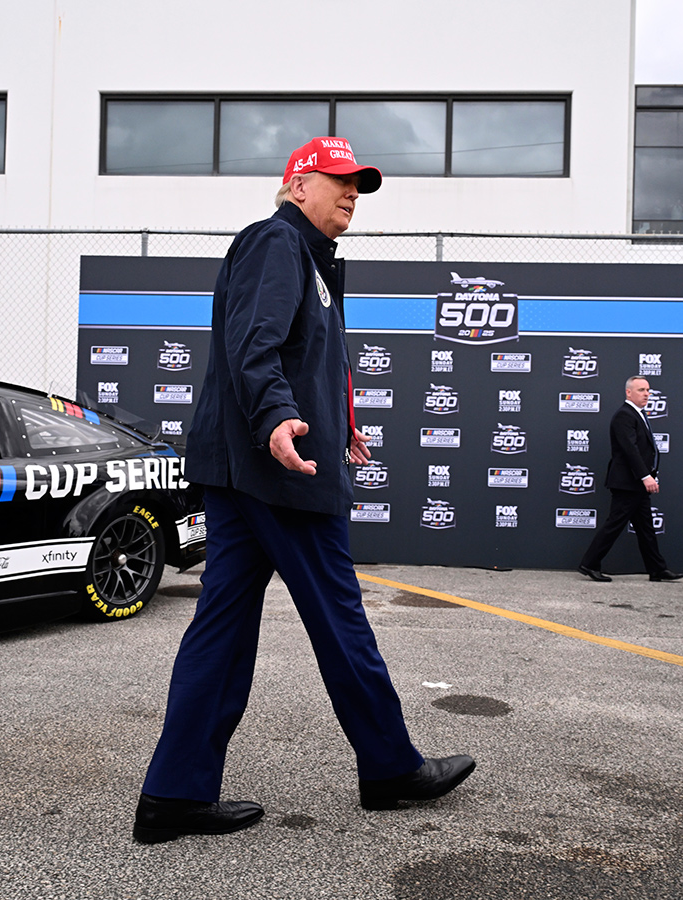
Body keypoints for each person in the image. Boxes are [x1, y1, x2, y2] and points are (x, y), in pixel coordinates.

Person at [132, 136, 475, 844]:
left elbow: (303, 355)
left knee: (222, 630)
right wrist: (280, 418)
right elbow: (252, 341)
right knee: (339, 616)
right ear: (297, 185)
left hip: (255, 466)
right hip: (278, 471)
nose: (352, 193)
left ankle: (174, 793)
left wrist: (338, 424)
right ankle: (389, 766)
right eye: (339, 180)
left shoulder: (311, 262)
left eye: (360, 185)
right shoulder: (275, 242)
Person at [577, 376, 683, 584]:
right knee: (615, 524)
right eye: (641, 390)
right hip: (627, 483)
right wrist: (646, 477)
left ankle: (657, 569)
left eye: (648, 390)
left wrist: (649, 475)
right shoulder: (624, 416)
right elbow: (630, 450)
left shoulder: (638, 414)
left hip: (635, 483)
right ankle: (589, 563)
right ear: (628, 392)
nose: (646, 394)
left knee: (646, 528)